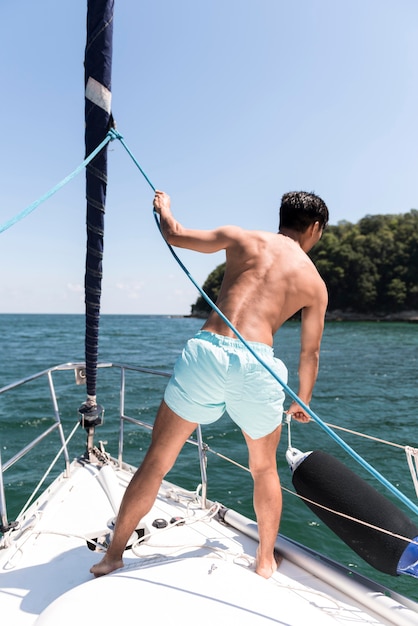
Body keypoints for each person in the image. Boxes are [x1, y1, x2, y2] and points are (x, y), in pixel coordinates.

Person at [91, 189, 329, 579]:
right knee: (263, 469)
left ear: (281, 216)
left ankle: (112, 556)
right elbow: (310, 354)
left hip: (207, 353)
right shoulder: (314, 283)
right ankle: (265, 559)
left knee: (156, 461)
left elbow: (176, 234)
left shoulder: (241, 238)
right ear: (315, 228)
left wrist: (164, 208)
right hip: (257, 364)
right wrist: (302, 399)